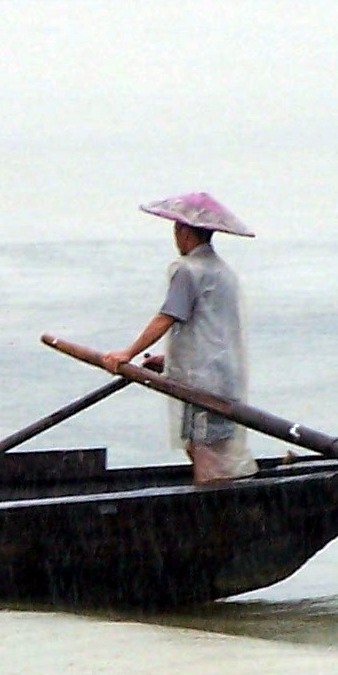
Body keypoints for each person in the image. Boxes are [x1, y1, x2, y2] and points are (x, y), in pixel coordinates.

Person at [101, 192, 258, 484]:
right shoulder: (222, 272)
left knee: (206, 455)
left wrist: (127, 353)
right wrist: (171, 360)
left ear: (184, 231)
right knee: (210, 448)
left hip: (204, 384)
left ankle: (216, 504)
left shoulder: (188, 270)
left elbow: (167, 316)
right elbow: (212, 330)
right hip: (223, 377)